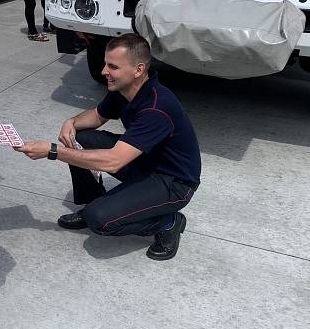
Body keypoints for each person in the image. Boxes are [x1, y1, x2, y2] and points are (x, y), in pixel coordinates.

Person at [15, 34, 201, 261]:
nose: (104, 71)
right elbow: (96, 116)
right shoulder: (124, 90)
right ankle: (93, 200)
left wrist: (52, 151)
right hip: (145, 162)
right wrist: (71, 122)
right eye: (105, 63)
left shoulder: (156, 107)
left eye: (113, 66)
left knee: (100, 219)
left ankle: (168, 222)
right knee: (81, 138)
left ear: (138, 69)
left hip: (174, 181)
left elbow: (114, 161)